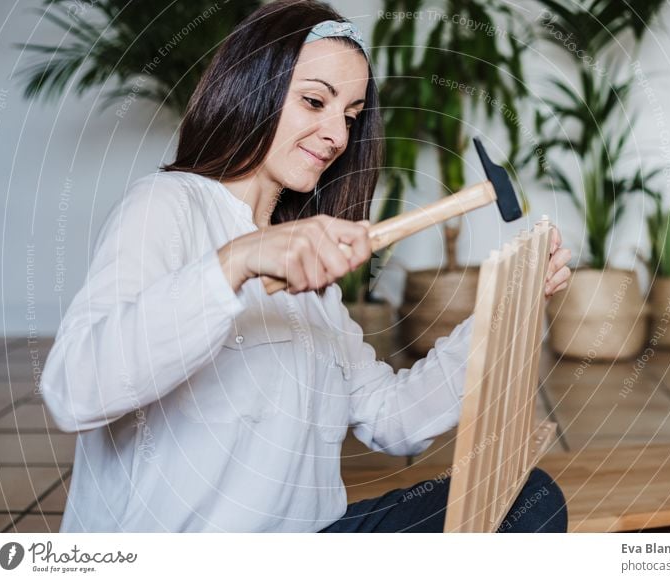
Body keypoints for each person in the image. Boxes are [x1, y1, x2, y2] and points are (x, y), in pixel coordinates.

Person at [41, 0, 572, 533]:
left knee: (531, 500)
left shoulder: (313, 282)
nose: (338, 135)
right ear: (254, 87)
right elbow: (73, 390)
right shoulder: (166, 205)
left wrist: (508, 307)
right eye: (315, 101)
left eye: (349, 116)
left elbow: (394, 418)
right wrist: (236, 261)